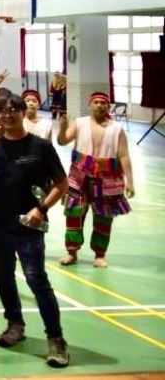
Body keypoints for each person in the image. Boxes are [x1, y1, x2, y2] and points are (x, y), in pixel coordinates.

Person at [0, 94, 70, 368]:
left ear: (23, 112)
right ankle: (15, 324)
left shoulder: (40, 147)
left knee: (37, 280)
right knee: (4, 278)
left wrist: (42, 209)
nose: (7, 114)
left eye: (13, 109)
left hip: (29, 226)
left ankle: (56, 339)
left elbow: (61, 184)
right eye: (2, 111)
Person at [56, 92, 134, 268]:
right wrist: (62, 127)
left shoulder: (117, 129)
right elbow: (62, 141)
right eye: (96, 102)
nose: (99, 105)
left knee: (104, 216)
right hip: (79, 176)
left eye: (103, 103)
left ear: (108, 106)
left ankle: (100, 254)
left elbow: (124, 155)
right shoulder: (80, 123)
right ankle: (72, 252)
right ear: (90, 105)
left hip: (108, 179)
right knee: (74, 212)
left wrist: (130, 181)